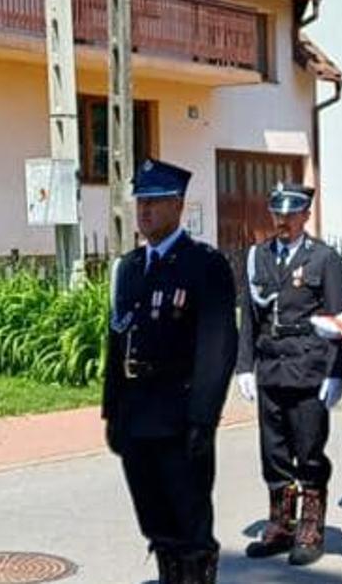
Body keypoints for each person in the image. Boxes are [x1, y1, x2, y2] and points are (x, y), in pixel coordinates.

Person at [103, 159, 239, 583]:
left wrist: (203, 418)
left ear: (178, 206)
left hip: (180, 417)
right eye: (141, 201)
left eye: (155, 202)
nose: (144, 211)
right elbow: (116, 341)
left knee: (189, 522)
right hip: (136, 415)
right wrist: (112, 412)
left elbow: (217, 349)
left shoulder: (203, 265)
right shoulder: (128, 268)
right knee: (155, 519)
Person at [234, 182, 342, 567]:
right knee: (274, 450)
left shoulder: (324, 258)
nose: (283, 221)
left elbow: (336, 319)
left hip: (308, 365)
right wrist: (244, 366)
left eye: (290, 214)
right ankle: (281, 524)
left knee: (309, 449)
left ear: (305, 215)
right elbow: (249, 317)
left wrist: (337, 370)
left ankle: (310, 528)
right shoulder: (258, 257)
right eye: (277, 214)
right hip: (270, 366)